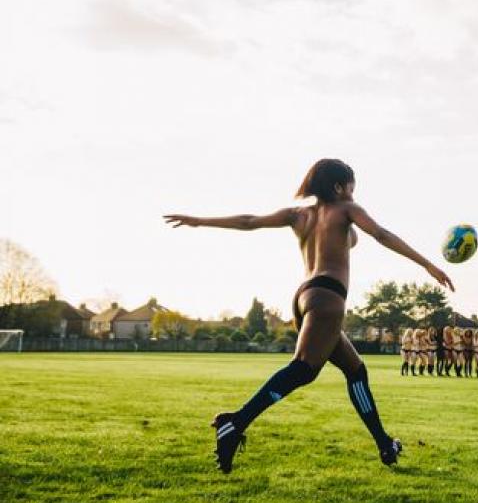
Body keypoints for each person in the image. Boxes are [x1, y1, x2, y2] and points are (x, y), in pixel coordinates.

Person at [164, 158, 454, 473]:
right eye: (352, 189)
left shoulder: (299, 215)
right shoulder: (346, 210)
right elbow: (381, 235)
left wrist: (198, 220)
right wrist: (428, 265)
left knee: (356, 371)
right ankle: (235, 423)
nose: (354, 196)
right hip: (328, 298)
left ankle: (385, 445)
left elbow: (249, 221)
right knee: (303, 369)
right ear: (338, 186)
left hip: (304, 297)